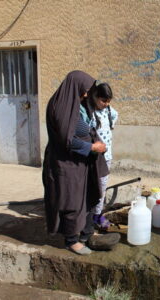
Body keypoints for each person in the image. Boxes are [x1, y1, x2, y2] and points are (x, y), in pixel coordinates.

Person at [42, 71, 118, 255]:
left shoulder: (75, 104)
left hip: (78, 162)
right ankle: (71, 241)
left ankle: (85, 233)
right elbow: (67, 140)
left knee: (83, 198)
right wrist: (92, 147)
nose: (85, 94)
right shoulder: (61, 107)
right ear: (74, 87)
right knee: (70, 200)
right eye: (84, 90)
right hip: (65, 164)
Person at [80, 81, 118, 231]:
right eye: (103, 100)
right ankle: (86, 216)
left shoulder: (109, 111)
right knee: (90, 187)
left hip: (106, 156)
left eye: (108, 101)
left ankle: (97, 215)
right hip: (92, 157)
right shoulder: (87, 112)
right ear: (94, 97)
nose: (106, 104)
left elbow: (114, 118)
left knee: (102, 187)